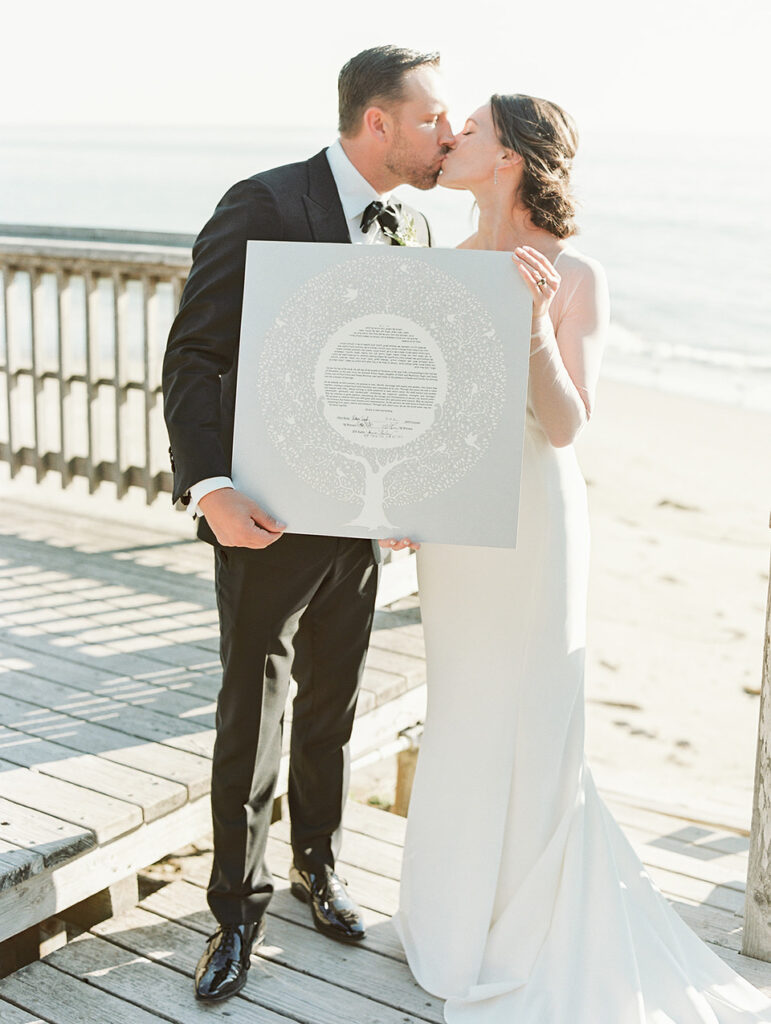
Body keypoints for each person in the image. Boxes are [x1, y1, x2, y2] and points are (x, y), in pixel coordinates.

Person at [392, 94, 771, 1022]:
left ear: (511, 159)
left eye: (472, 130)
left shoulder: (576, 274)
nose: (453, 139)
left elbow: (565, 427)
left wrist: (527, 324)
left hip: (534, 522)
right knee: (463, 710)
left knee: (531, 713)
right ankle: (450, 919)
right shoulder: (441, 266)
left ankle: (525, 926)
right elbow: (433, 411)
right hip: (457, 530)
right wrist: (400, 499)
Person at [162, 44, 453, 1003]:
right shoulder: (265, 202)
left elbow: (405, 373)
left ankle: (315, 870)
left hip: (362, 524)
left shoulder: (410, 223)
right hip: (269, 518)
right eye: (430, 119)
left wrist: (412, 487)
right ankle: (233, 916)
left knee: (332, 705)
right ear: (378, 122)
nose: (445, 136)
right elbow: (194, 353)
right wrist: (210, 489)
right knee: (253, 713)